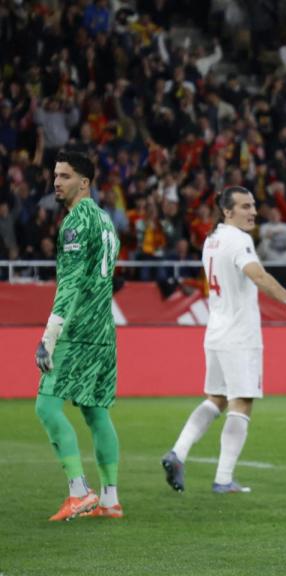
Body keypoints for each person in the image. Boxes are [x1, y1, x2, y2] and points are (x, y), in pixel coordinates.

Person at [161, 186, 286, 494]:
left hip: (216, 331)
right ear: (227, 211)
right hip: (239, 334)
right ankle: (223, 479)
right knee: (242, 402)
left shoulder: (212, 239)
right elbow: (257, 275)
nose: (253, 212)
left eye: (253, 205)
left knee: (217, 399)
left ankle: (178, 452)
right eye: (245, 206)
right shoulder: (239, 239)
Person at [34, 150, 122, 520]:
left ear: (84, 183)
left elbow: (69, 285)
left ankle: (79, 491)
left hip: (77, 332)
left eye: (65, 176)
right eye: (56, 175)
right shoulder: (106, 220)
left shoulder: (75, 223)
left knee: (46, 407)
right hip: (104, 331)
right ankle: (110, 499)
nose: (56, 182)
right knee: (95, 412)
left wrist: (49, 336)